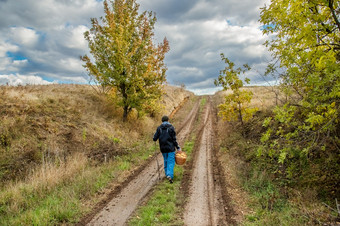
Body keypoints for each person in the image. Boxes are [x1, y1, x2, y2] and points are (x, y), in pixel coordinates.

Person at [153, 115, 181, 183]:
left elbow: (154, 138)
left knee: (165, 160)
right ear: (168, 120)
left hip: (163, 148)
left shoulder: (159, 128)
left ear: (162, 121)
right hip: (170, 148)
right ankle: (169, 175)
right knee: (171, 162)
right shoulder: (171, 127)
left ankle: (166, 174)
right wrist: (178, 147)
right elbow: (174, 139)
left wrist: (154, 137)